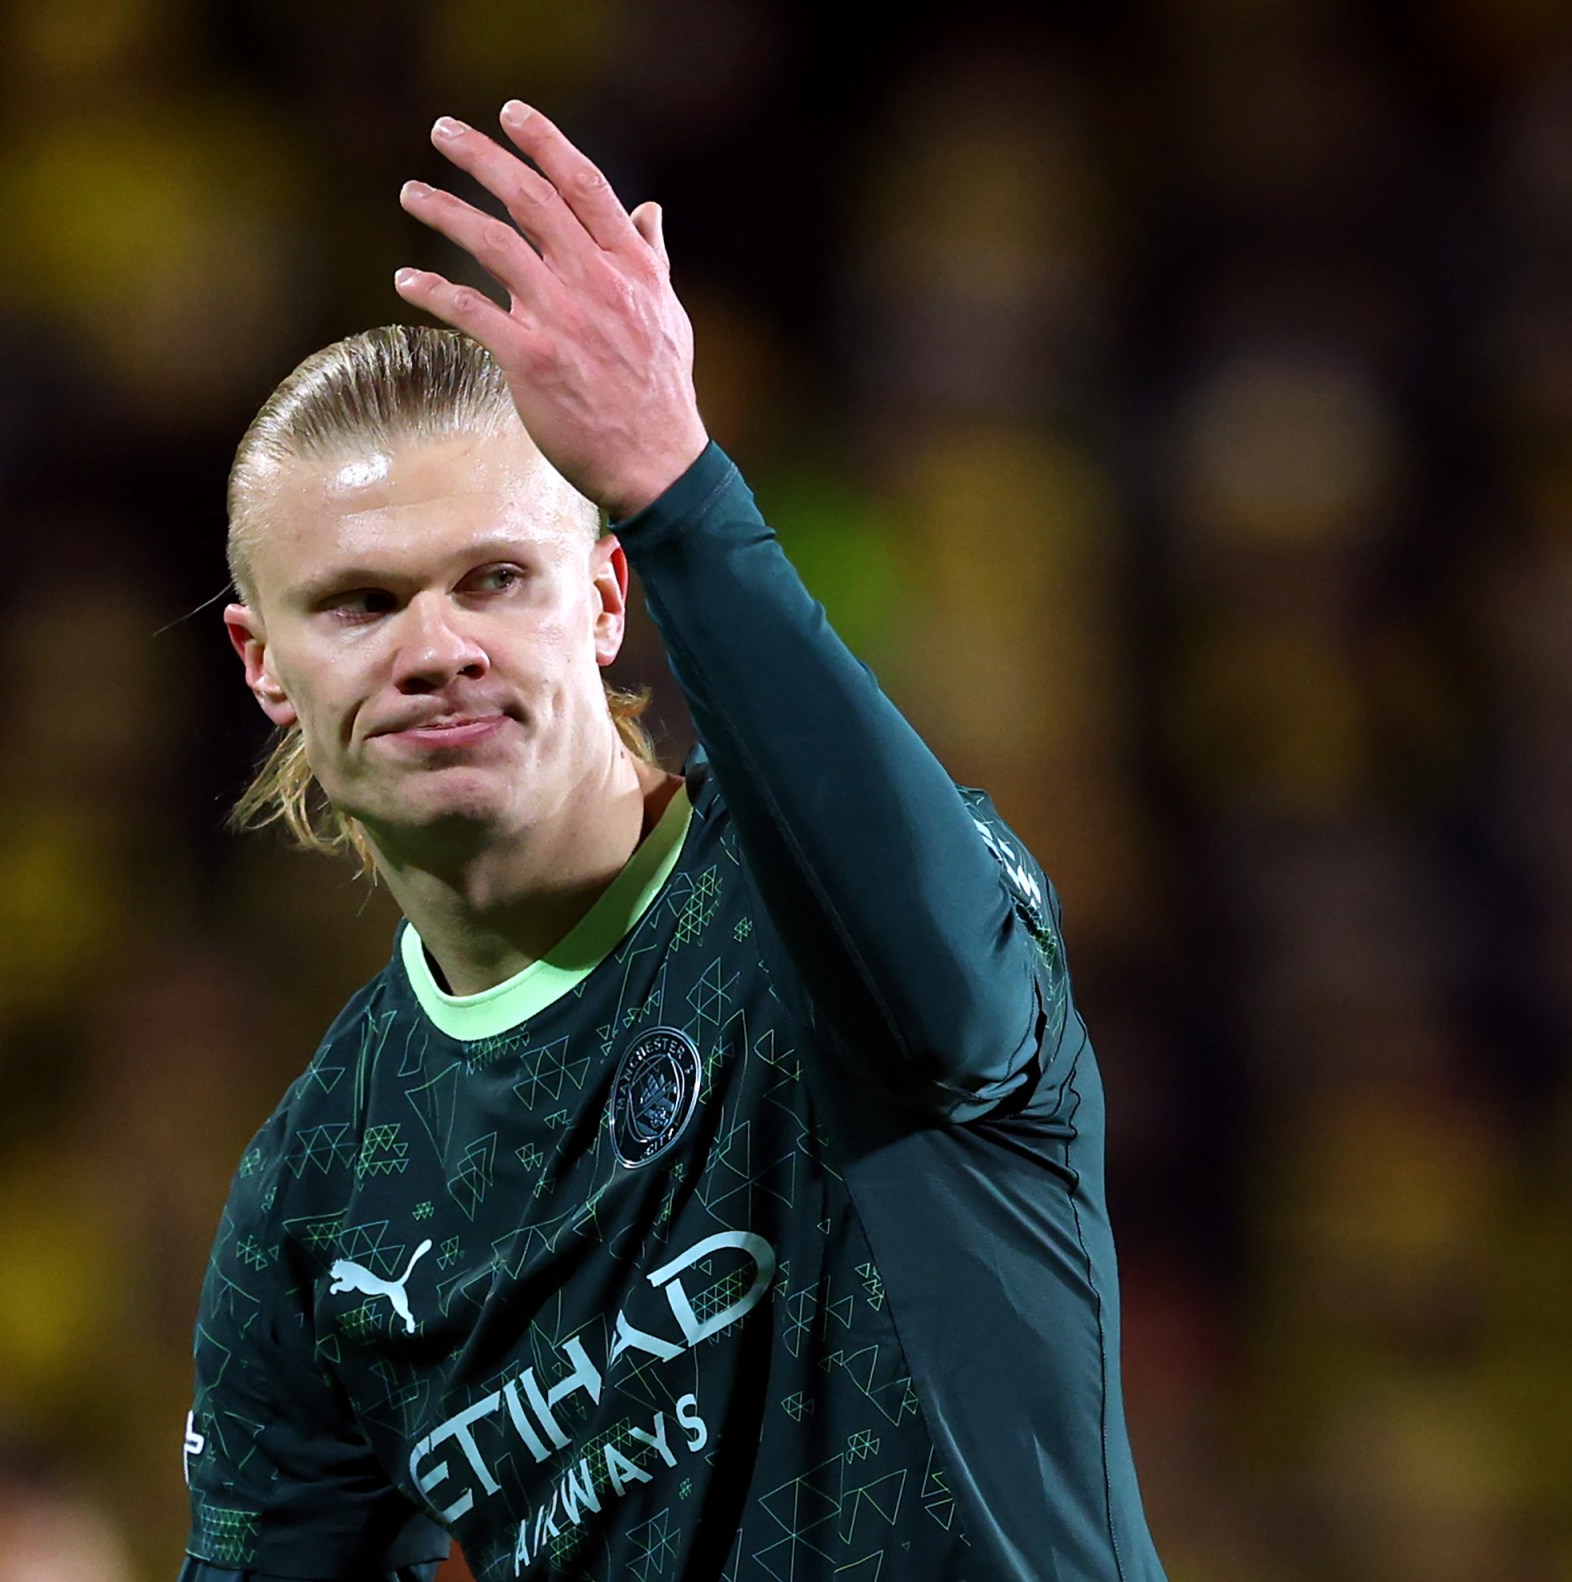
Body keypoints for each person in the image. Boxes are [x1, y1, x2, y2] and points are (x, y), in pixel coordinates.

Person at [178, 99, 1165, 1582]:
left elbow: (956, 1003)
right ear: (266, 665)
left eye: (497, 576)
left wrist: (678, 479)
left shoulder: (838, 923)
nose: (437, 645)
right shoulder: (315, 1205)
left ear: (606, 598)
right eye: (363, 604)